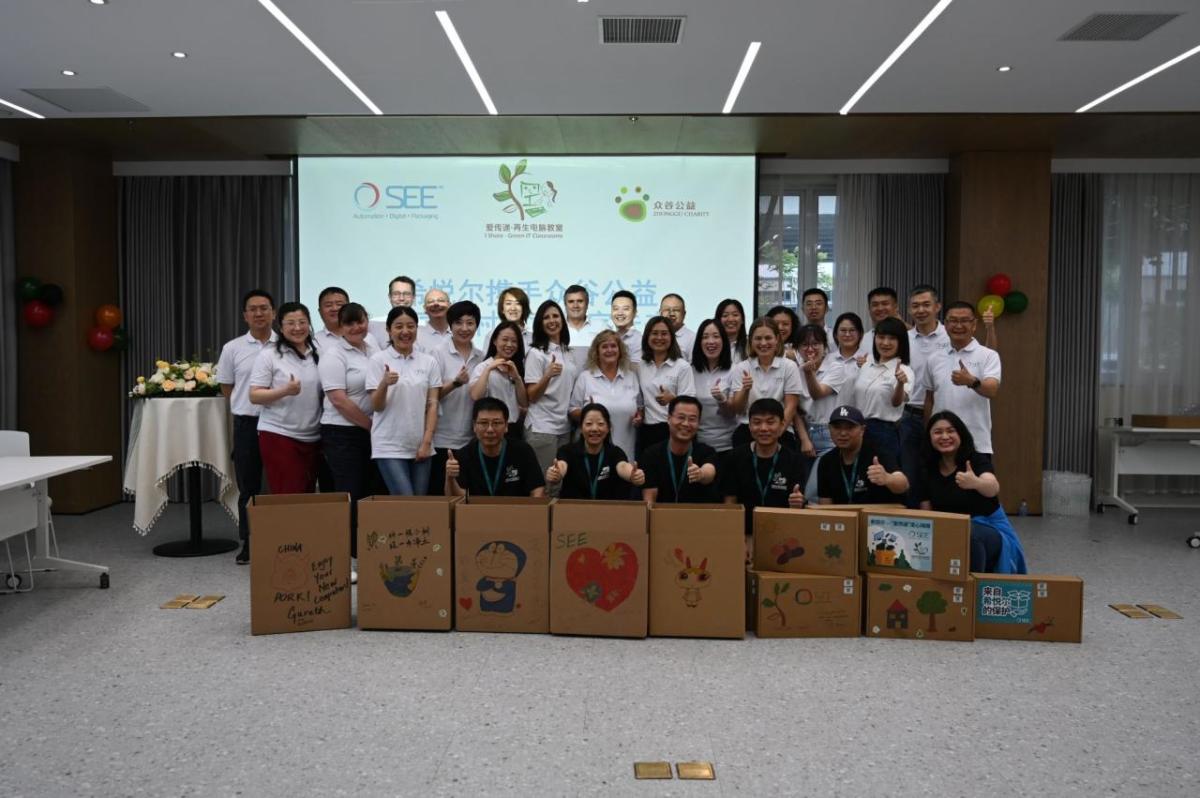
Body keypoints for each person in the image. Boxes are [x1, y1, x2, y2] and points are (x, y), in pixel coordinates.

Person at [919, 411, 1026, 573]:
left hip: (988, 528)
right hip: (948, 529)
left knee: (968, 534)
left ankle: (972, 589)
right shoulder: (927, 469)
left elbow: (993, 488)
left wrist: (976, 483)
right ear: (929, 438)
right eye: (938, 432)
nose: (945, 436)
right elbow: (926, 513)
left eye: (951, 431)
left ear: (961, 434)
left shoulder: (975, 459)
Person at [216, 289, 276, 564]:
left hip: (280, 424)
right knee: (249, 488)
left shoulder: (286, 344)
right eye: (253, 309)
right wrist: (247, 406)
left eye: (264, 308)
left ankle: (282, 540)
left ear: (273, 313)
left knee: (280, 487)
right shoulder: (233, 348)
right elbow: (227, 387)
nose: (259, 313)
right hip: (247, 424)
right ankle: (249, 543)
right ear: (245, 316)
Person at [317, 302, 379, 561]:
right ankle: (346, 555)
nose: (356, 327)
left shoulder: (372, 346)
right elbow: (338, 399)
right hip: (342, 433)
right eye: (349, 323)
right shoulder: (333, 355)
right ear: (340, 327)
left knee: (368, 490)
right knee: (350, 491)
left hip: (370, 431)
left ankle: (363, 548)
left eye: (360, 321)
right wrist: (370, 425)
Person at [248, 301, 323, 495]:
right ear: (281, 327)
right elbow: (254, 395)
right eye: (291, 323)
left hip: (313, 436)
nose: (297, 328)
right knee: (288, 495)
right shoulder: (269, 355)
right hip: (279, 434)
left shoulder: (319, 352)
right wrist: (285, 390)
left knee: (307, 494)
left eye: (302, 322)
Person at [366, 306, 441, 496]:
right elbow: (376, 406)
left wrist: (426, 442)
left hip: (420, 444)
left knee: (419, 504)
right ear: (389, 330)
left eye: (411, 326)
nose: (405, 332)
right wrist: (384, 383)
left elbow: (432, 405)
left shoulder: (429, 361)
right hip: (388, 445)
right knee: (406, 500)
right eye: (399, 326)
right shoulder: (378, 360)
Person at [924, 301, 1002, 466]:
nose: (958, 325)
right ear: (945, 325)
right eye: (953, 320)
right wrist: (928, 433)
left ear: (974, 325)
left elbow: (992, 390)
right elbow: (929, 399)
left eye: (964, 320)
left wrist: (971, 381)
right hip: (941, 443)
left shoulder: (988, 355)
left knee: (979, 489)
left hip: (976, 442)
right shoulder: (933, 358)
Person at [722, 398, 808, 536]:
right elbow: (730, 502)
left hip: (782, 535)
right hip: (744, 533)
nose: (763, 428)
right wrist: (735, 539)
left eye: (770, 422)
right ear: (749, 426)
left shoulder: (794, 460)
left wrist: (798, 503)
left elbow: (797, 506)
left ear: (782, 425)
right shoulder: (735, 457)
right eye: (757, 422)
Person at [900, 284, 950, 508]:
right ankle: (914, 522)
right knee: (910, 472)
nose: (921, 310)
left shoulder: (951, 336)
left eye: (926, 305)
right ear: (910, 310)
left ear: (937, 307)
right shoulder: (904, 339)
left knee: (941, 469)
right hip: (908, 415)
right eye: (915, 306)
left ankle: (943, 520)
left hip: (942, 415)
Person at [428, 300, 484, 495]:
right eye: (459, 323)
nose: (464, 328)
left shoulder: (481, 356)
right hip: (443, 438)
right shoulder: (437, 353)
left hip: (471, 439)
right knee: (442, 495)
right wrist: (455, 383)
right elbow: (431, 396)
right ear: (450, 326)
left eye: (470, 323)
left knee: (467, 496)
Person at [729, 317, 807, 451]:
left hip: (781, 431)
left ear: (777, 339)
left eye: (768, 338)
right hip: (748, 429)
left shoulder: (789, 366)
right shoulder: (741, 368)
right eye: (758, 338)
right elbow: (737, 409)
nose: (763, 343)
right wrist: (745, 390)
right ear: (751, 341)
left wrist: (777, 431)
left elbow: (791, 405)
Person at [445, 398, 546, 497]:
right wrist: (450, 478)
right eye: (483, 423)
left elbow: (537, 489)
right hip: (476, 512)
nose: (490, 429)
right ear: (474, 426)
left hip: (515, 511)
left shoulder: (523, 451)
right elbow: (457, 498)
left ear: (506, 426)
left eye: (496, 423)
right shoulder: (464, 455)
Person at [845, 316, 912, 465]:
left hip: (884, 431)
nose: (885, 343)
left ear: (901, 342)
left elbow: (896, 402)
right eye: (881, 337)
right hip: (858, 429)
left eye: (892, 338)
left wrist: (900, 383)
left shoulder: (904, 370)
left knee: (882, 477)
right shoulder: (866, 365)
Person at [544, 403, 643, 499]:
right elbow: (561, 465)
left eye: (600, 424)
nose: (595, 429)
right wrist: (556, 473)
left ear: (608, 428)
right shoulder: (567, 451)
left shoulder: (615, 452)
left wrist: (633, 475)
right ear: (581, 428)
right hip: (574, 511)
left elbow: (623, 467)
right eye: (588, 424)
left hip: (607, 512)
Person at [570, 330, 641, 462]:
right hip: (592, 452)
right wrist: (588, 412)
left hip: (625, 451)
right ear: (596, 352)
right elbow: (572, 410)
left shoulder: (631, 376)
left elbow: (640, 408)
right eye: (604, 346)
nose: (609, 350)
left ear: (620, 351)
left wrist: (639, 417)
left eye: (613, 346)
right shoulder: (585, 377)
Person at [523, 299, 576, 473]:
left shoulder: (567, 352)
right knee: (546, 483)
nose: (552, 320)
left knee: (560, 482)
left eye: (556, 316)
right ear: (540, 323)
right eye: (546, 317)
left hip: (564, 427)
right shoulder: (536, 353)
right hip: (542, 428)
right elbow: (531, 395)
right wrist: (548, 375)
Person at [817, 405, 909, 504]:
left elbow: (904, 484)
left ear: (862, 430)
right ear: (829, 429)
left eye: (850, 427)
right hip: (843, 517)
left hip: (876, 516)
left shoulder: (878, 454)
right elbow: (825, 504)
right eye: (837, 427)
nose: (843, 433)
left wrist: (887, 478)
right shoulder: (826, 461)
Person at [635, 315, 696, 457]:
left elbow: (691, 404)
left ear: (672, 337)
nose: (659, 338)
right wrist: (639, 413)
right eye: (654, 333)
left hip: (674, 430)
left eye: (664, 334)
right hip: (647, 430)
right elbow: (641, 399)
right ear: (647, 337)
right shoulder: (641, 366)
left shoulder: (682, 366)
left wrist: (673, 399)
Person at [640, 396, 720, 504]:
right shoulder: (651, 454)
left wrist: (700, 474)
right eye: (681, 417)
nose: (686, 424)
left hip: (697, 517)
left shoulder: (707, 452)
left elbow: (709, 472)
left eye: (692, 419)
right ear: (668, 419)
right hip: (662, 517)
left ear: (699, 423)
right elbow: (649, 499)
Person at [470, 320, 528, 440]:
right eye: (505, 339)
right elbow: (475, 395)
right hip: (491, 428)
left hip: (513, 428)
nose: (509, 344)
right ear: (495, 341)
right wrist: (489, 368)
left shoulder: (516, 368)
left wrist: (517, 377)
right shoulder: (483, 367)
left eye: (514, 341)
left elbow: (524, 402)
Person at [691, 318, 739, 458]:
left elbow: (733, 413)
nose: (710, 341)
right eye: (705, 337)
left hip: (727, 445)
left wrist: (722, 399)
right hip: (697, 445)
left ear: (724, 341)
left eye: (716, 336)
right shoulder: (689, 371)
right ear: (699, 342)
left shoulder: (734, 370)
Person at [369, 275, 416, 348]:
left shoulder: (422, 327)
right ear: (389, 297)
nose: (401, 298)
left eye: (406, 294)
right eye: (396, 294)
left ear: (414, 297)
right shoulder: (373, 325)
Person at [858, 286, 901, 360]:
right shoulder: (863, 339)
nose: (880, 308)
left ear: (896, 307)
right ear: (869, 309)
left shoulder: (907, 337)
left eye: (885, 304)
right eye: (875, 305)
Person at [563, 284, 597, 368]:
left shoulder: (601, 327)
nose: (575, 306)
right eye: (571, 301)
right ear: (565, 305)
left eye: (580, 301)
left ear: (587, 304)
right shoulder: (556, 329)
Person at [609, 289, 642, 362]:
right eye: (615, 309)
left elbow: (636, 369)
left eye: (625, 309)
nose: (620, 313)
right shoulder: (606, 336)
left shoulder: (640, 340)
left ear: (635, 312)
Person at [416, 287, 452, 353]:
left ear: (449, 305)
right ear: (424, 308)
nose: (436, 304)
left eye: (441, 300)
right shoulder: (416, 334)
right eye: (430, 302)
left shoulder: (459, 332)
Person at [313, 286, 348, 351]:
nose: (334, 309)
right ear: (320, 312)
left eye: (339, 304)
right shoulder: (314, 342)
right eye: (328, 305)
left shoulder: (364, 334)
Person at [715, 298, 748, 362]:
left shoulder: (750, 345)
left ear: (742, 320)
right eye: (725, 315)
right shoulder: (712, 345)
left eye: (735, 315)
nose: (730, 319)